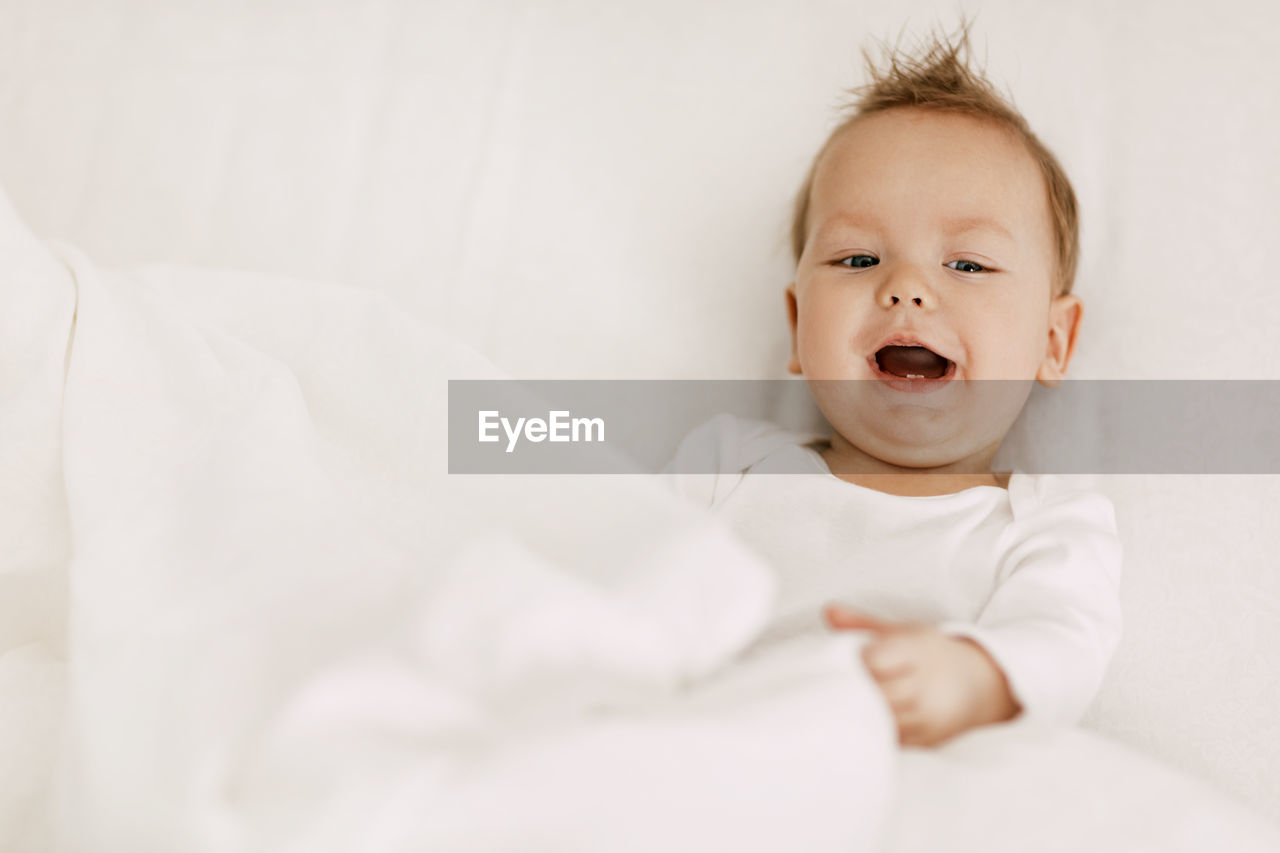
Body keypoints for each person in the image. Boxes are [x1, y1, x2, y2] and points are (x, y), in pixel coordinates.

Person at [661, 18, 1122, 748]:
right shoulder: (726, 466)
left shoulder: (1041, 524)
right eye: (856, 259)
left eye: (967, 265)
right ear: (796, 324)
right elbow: (616, 555)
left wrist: (972, 674)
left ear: (1053, 340)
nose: (906, 287)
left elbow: (1065, 641)